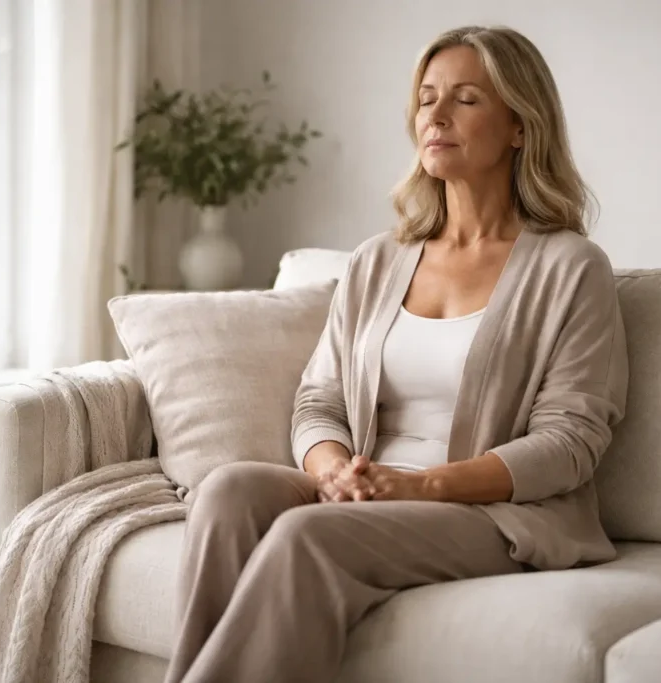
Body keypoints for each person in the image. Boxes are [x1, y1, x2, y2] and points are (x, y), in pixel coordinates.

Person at [163, 24, 629, 683]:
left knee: (304, 536)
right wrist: (333, 472)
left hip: (489, 513)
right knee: (228, 491)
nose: (435, 116)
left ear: (521, 127)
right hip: (372, 487)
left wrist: (422, 485)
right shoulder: (377, 259)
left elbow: (570, 442)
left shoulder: (571, 267)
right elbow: (319, 400)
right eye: (427, 98)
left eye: (466, 99)